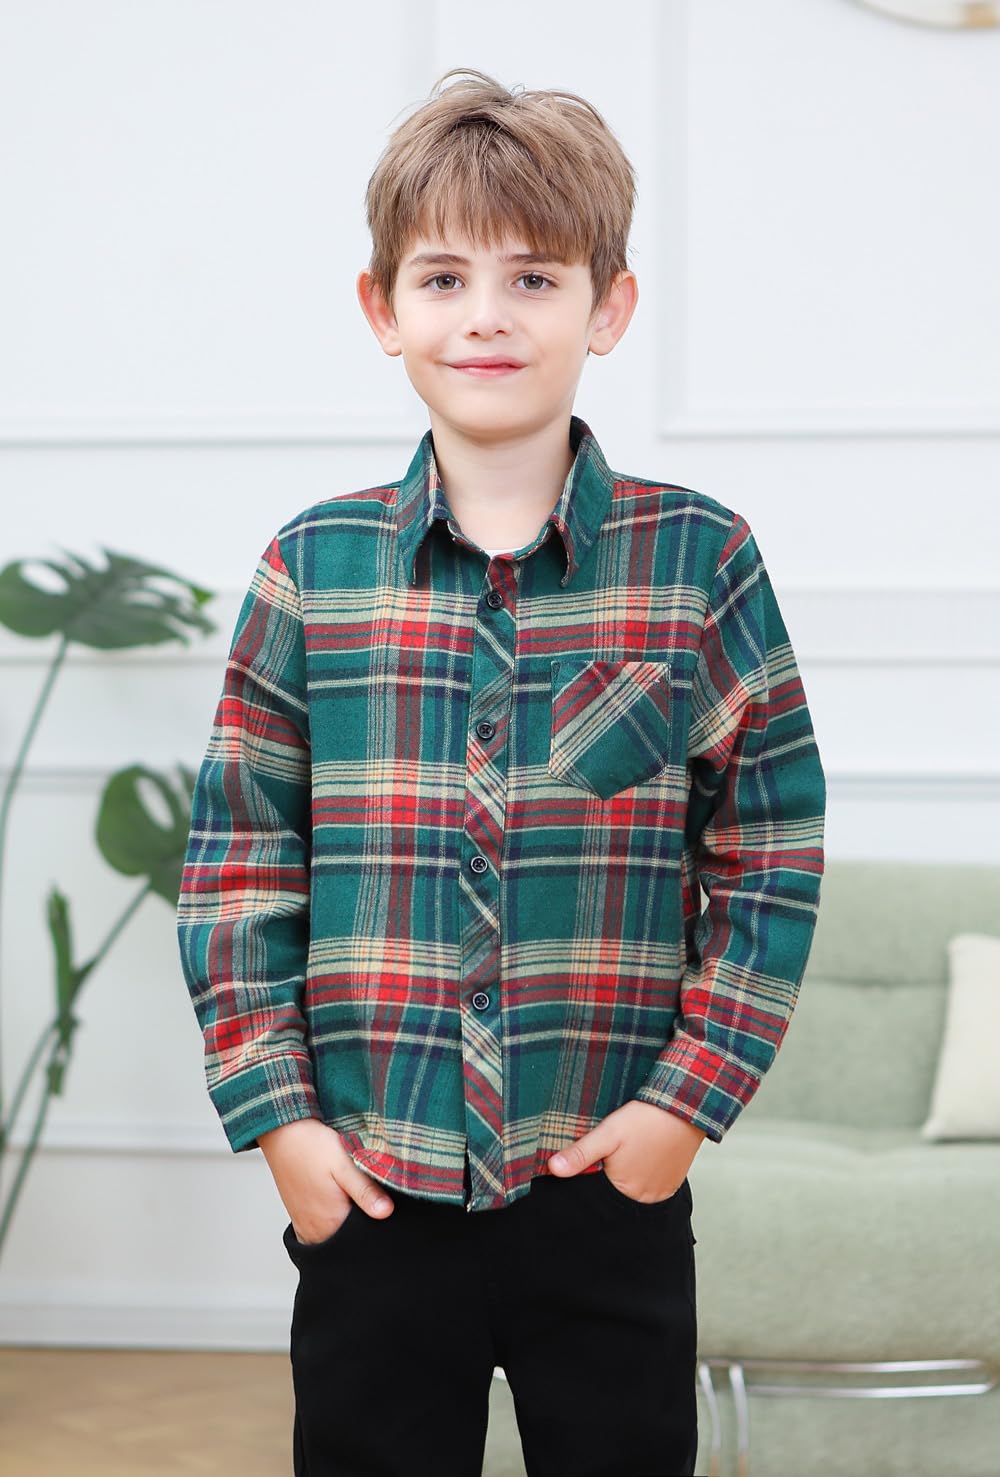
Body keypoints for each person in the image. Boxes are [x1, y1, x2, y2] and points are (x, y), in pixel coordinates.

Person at [176, 67, 826, 1477]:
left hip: (605, 1177)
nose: (486, 315)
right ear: (382, 309)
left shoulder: (700, 561)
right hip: (371, 1184)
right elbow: (238, 862)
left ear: (609, 307)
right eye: (444, 277)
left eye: (534, 277)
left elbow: (770, 850)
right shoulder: (312, 568)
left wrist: (681, 1109)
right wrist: (282, 1124)